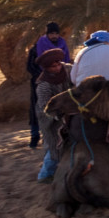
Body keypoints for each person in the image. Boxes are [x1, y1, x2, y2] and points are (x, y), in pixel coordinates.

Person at [25, 22, 68, 148]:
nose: (54, 36)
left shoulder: (63, 45)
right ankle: (34, 137)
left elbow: (66, 62)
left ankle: (55, 137)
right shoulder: (37, 47)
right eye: (51, 33)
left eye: (56, 33)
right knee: (38, 108)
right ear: (47, 34)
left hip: (60, 82)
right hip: (41, 83)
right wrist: (46, 75)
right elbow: (30, 67)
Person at [34, 48, 73, 181]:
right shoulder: (43, 85)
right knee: (54, 145)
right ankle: (45, 175)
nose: (57, 68)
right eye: (53, 67)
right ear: (46, 68)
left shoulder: (68, 70)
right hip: (50, 117)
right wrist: (60, 116)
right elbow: (45, 106)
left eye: (58, 65)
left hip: (68, 112)